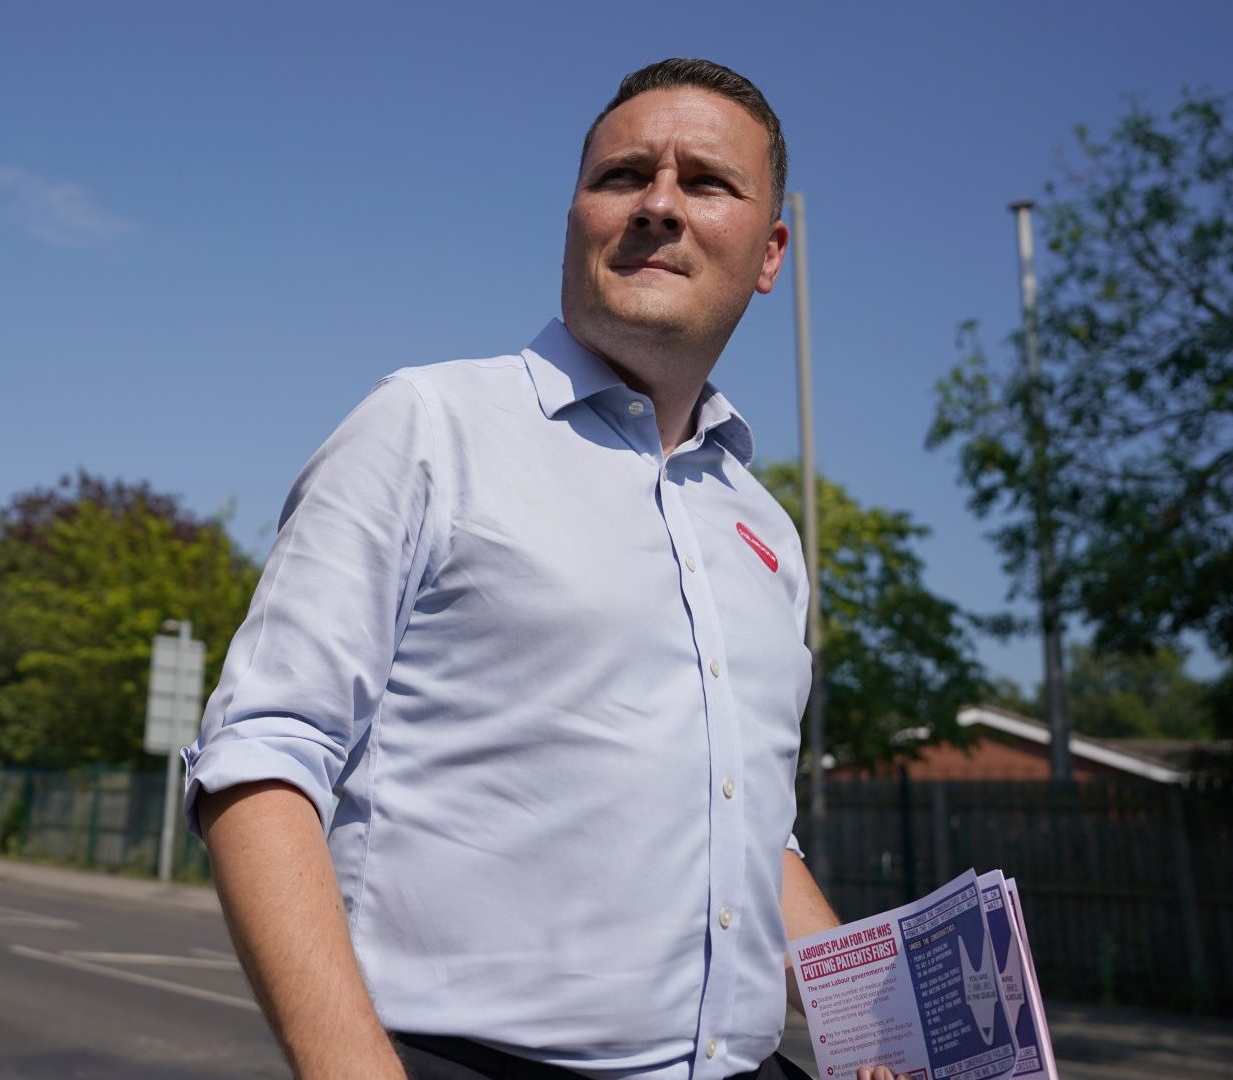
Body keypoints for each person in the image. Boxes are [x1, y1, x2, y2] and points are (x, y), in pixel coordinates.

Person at [182, 59, 907, 1080]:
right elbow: (261, 754)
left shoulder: (768, 534)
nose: (658, 204)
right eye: (622, 177)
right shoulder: (426, 427)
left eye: (705, 182)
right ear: (576, 215)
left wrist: (870, 1033)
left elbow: (751, 835)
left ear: (770, 252)